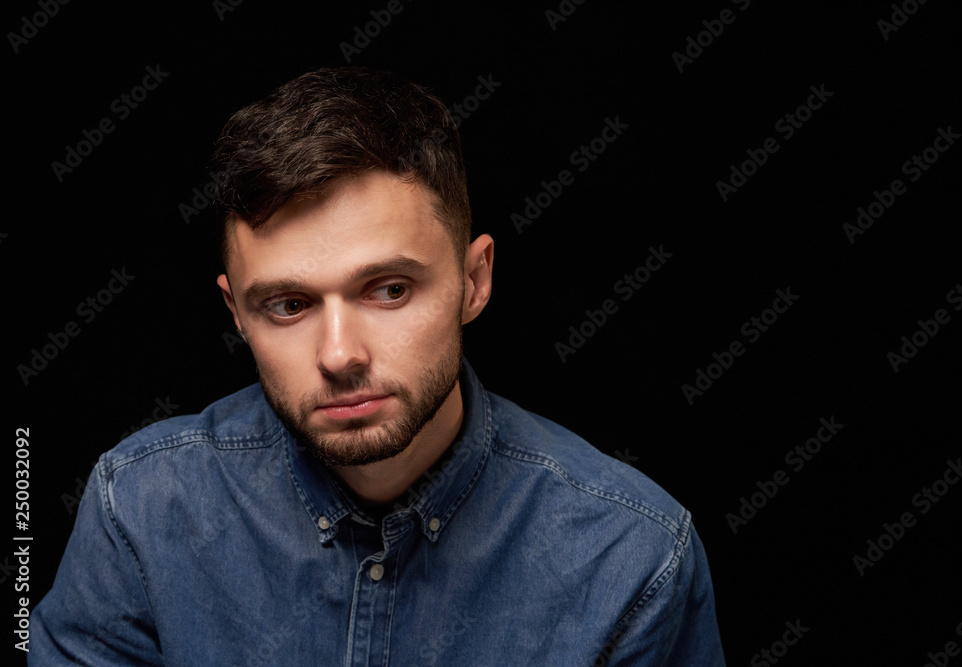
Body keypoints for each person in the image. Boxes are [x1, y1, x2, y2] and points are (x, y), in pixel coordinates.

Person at [29, 67, 726, 665]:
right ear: (236, 312)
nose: (339, 355)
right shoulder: (142, 510)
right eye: (289, 304)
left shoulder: (634, 560)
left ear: (474, 279)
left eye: (389, 289)